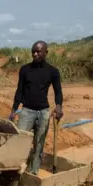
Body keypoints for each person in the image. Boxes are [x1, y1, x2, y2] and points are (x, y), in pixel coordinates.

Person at [9, 41, 63, 175]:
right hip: (27, 111)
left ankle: (33, 172)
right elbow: (19, 91)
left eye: (38, 51)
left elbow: (58, 91)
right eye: (33, 51)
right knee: (20, 141)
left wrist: (58, 106)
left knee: (39, 146)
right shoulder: (25, 69)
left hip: (43, 113)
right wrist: (14, 110)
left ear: (46, 52)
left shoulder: (53, 71)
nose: (35, 54)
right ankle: (14, 169)